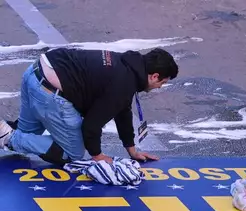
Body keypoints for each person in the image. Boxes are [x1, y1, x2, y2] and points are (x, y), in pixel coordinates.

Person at [0, 47, 179, 165]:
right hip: (48, 92)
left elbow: (122, 111)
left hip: (34, 72)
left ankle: (7, 133)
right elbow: (91, 125)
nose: (159, 87)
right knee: (72, 155)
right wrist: (97, 155)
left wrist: (132, 150)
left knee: (26, 138)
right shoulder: (124, 84)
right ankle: (7, 135)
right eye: (162, 83)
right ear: (154, 76)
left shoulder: (127, 65)